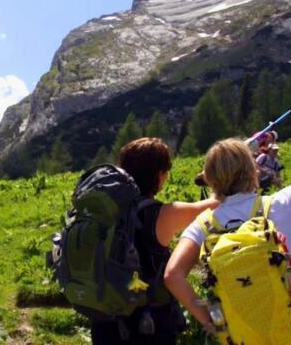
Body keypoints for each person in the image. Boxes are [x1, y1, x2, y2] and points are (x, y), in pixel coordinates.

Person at [164, 138, 291, 337]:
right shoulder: (282, 203)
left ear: (210, 179)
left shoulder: (203, 226)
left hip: (244, 336)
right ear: (253, 169)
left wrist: (212, 322)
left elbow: (172, 275)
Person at [90, 137, 221, 344]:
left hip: (105, 320)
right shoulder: (161, 214)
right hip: (148, 324)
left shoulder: (104, 211)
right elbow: (214, 206)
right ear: (160, 175)